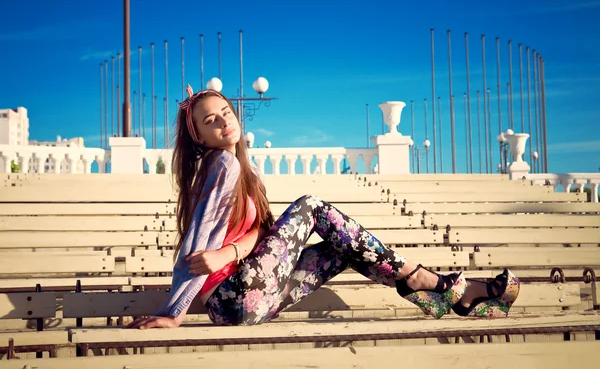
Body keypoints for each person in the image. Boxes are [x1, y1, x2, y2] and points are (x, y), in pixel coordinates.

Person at [127, 86, 519, 329]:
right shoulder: (220, 165)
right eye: (210, 120)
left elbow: (260, 235)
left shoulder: (247, 174)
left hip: (255, 300)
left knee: (342, 246)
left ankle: (451, 295)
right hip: (231, 296)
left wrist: (230, 250)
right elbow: (196, 243)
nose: (223, 122)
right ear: (199, 137)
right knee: (311, 206)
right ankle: (429, 282)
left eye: (226, 112)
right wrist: (175, 310)